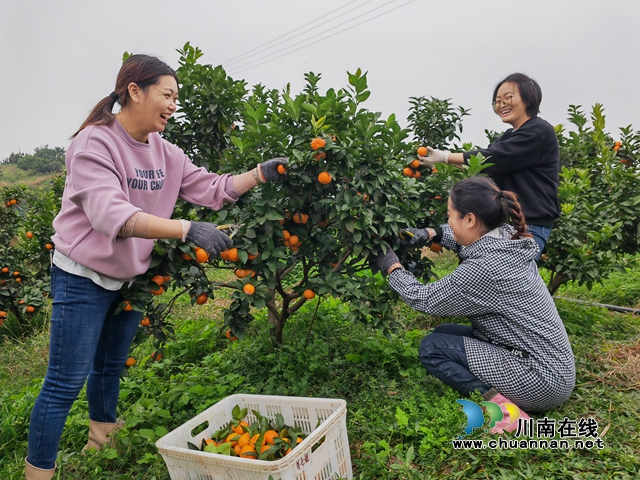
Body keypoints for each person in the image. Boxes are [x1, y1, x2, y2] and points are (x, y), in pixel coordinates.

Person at [25, 54, 288, 479]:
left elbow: (213, 189)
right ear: (134, 90)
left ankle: (102, 437)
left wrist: (258, 173)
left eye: (176, 98)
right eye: (167, 95)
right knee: (64, 382)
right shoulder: (94, 143)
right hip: (82, 274)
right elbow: (111, 216)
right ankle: (38, 474)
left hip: (131, 277)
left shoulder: (167, 154)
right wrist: (186, 228)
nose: (173, 105)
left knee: (110, 364)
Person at [375, 177, 575, 432]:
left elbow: (422, 298)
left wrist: (391, 265)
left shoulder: (485, 268)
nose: (448, 221)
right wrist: (428, 234)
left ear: (470, 220)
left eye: (450, 215)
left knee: (433, 348)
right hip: (551, 366)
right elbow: (461, 239)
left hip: (541, 381)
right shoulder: (504, 237)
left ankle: (506, 410)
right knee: (444, 333)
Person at [417, 73, 560, 259]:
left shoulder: (539, 131)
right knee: (492, 281)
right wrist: (454, 164)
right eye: (498, 101)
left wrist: (445, 157)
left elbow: (495, 157)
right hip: (505, 225)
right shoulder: (509, 136)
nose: (502, 104)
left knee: (498, 281)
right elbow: (486, 164)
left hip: (529, 226)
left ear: (529, 96)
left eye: (508, 97)